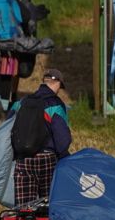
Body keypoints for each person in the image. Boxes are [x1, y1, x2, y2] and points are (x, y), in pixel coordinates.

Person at [12, 70, 72, 208]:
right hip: (47, 159)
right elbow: (62, 139)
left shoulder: (22, 102)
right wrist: (63, 157)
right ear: (57, 84)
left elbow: (7, 127)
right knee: (49, 204)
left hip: (23, 159)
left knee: (24, 208)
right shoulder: (55, 104)